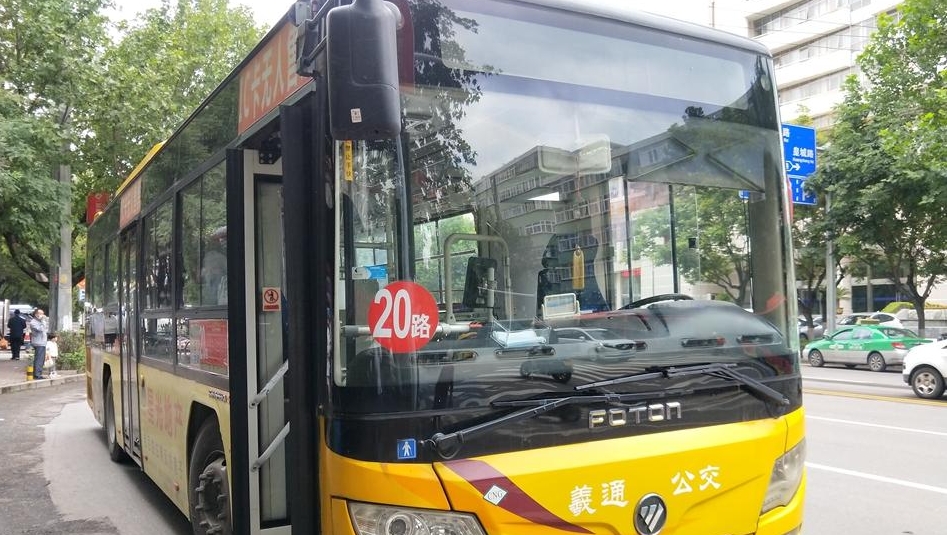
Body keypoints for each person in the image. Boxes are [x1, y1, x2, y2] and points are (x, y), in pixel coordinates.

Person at [29, 309, 49, 380]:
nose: (42, 315)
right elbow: (41, 329)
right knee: (39, 359)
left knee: (41, 359)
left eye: (43, 313)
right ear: (36, 314)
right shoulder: (33, 322)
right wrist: (43, 321)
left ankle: (38, 373)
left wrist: (43, 320)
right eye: (41, 313)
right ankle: (37, 375)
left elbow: (45, 329)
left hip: (42, 342)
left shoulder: (40, 321)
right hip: (38, 343)